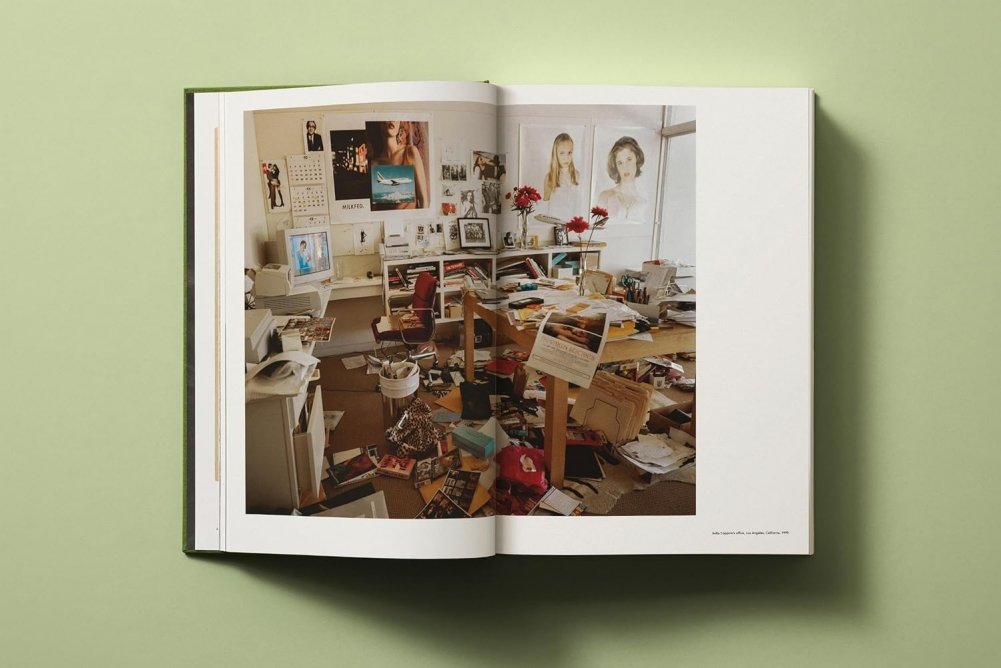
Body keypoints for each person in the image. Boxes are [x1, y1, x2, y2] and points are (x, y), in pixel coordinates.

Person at [368, 120, 427, 209]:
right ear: (380, 123)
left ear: (400, 124)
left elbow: (424, 201)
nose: (392, 120)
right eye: (387, 117)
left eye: (396, 118)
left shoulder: (410, 152)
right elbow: (376, 208)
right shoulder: (374, 164)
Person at [597, 136, 647, 220]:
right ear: (615, 166)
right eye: (620, 163)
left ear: (637, 159)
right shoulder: (605, 197)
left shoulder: (643, 203)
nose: (625, 167)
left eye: (629, 159)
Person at [543, 133, 581, 220]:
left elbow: (578, 204)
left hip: (572, 222)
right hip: (555, 223)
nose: (566, 158)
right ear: (555, 154)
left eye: (569, 153)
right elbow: (545, 208)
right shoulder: (549, 177)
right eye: (562, 153)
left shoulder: (577, 175)